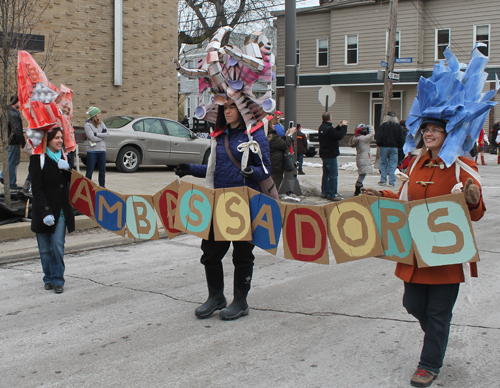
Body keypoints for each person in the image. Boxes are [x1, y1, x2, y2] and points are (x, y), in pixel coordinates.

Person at [363, 117, 485, 387]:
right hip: (416, 251)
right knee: (413, 305)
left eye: (435, 130)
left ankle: (429, 364)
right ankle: (437, 338)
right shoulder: (416, 162)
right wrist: (382, 195)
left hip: (446, 255)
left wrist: (472, 200)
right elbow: (405, 199)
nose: (429, 134)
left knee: (439, 312)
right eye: (426, 129)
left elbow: (477, 212)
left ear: (448, 134)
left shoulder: (463, 166)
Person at [174, 98, 271, 321]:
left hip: (243, 204)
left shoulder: (255, 135)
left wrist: (253, 174)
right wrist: (189, 169)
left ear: (242, 109)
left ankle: (241, 301)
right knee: (210, 253)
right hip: (218, 202)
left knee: (242, 255)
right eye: (225, 108)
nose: (227, 112)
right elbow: (213, 169)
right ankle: (216, 297)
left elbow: (265, 168)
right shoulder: (220, 135)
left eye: (232, 107)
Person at [29, 128, 75, 294]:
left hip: (61, 211)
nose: (60, 140)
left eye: (61, 137)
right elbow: (37, 189)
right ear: (48, 140)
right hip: (43, 212)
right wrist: (46, 211)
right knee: (45, 249)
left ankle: (57, 279)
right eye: (56, 138)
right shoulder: (38, 159)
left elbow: (74, 182)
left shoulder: (65, 157)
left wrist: (68, 169)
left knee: (57, 245)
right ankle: (48, 277)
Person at [318, 112, 348, 201]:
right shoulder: (329, 129)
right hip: (331, 154)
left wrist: (339, 126)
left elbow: (333, 133)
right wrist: (344, 127)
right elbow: (338, 136)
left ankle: (325, 192)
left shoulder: (322, 127)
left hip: (324, 153)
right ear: (330, 118)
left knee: (326, 174)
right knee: (333, 175)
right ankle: (332, 193)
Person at [0, 95, 25, 190]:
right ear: (16, 102)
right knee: (13, 162)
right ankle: (11, 183)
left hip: (9, 141)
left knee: (10, 160)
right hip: (13, 142)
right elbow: (17, 130)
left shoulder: (7, 112)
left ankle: (3, 175)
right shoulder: (13, 114)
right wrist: (23, 143)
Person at [375, 111, 405, 186]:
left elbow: (379, 137)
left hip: (384, 147)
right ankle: (392, 182)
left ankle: (383, 180)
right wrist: (399, 146)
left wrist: (379, 144)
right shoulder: (398, 127)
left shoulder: (383, 126)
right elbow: (401, 138)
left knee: (383, 164)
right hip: (394, 147)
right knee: (393, 165)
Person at [268, 115, 295, 189]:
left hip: (272, 163)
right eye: (272, 124)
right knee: (274, 185)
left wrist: (286, 135)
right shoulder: (272, 137)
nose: (274, 125)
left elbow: (280, 142)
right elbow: (285, 145)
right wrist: (290, 135)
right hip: (276, 164)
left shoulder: (270, 136)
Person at [84, 107, 109, 187]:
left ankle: (102, 187)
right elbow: (91, 137)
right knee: (90, 171)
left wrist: (97, 134)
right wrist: (102, 137)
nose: (100, 114)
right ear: (94, 115)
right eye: (98, 113)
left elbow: (107, 134)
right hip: (92, 151)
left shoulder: (101, 123)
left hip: (102, 150)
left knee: (102, 171)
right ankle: (87, 187)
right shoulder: (87, 125)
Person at [348, 123, 374, 195]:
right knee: (362, 174)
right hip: (364, 158)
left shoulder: (357, 138)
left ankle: (360, 187)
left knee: (362, 173)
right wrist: (370, 127)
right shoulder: (362, 139)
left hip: (361, 158)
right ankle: (358, 188)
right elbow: (372, 135)